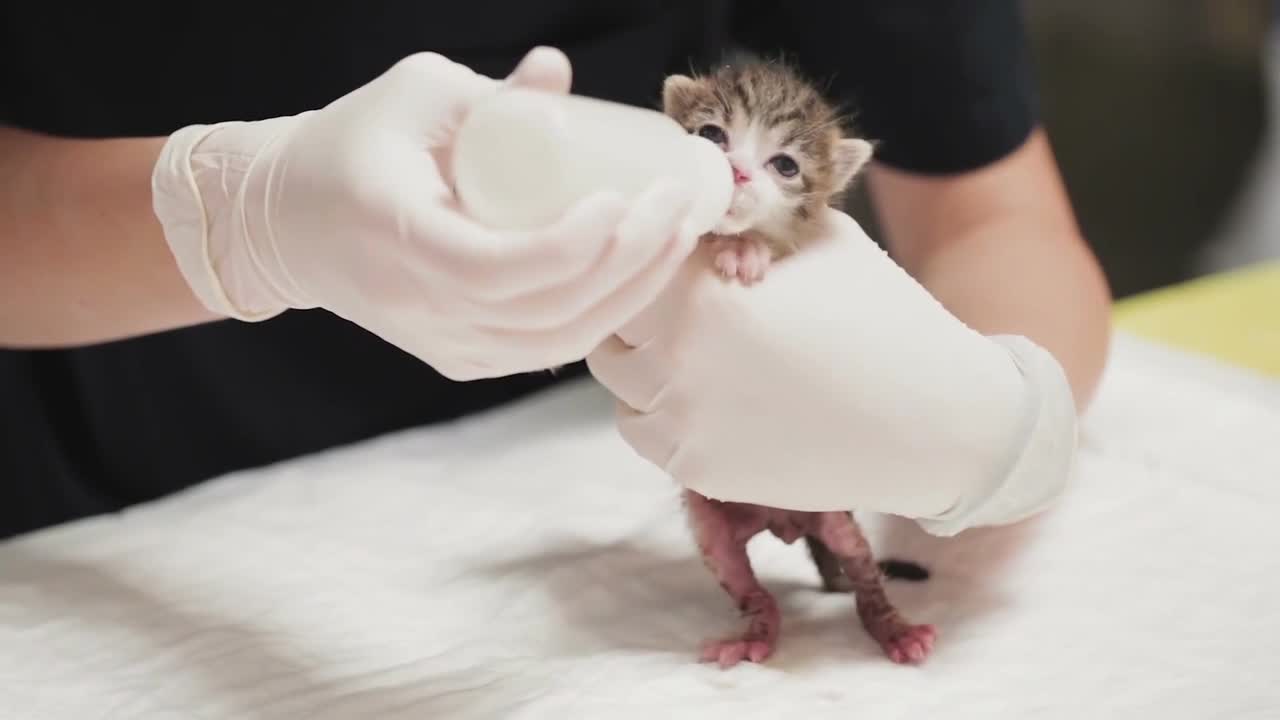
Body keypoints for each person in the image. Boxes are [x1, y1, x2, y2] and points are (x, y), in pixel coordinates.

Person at [0, 2, 1111, 540]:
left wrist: (989, 422)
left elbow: (987, 212)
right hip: (92, 510)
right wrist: (241, 213)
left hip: (586, 497)